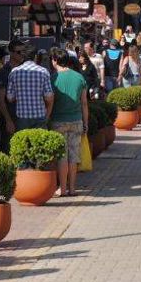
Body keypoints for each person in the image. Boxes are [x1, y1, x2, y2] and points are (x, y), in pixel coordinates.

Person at [49, 49, 89, 197]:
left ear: (54, 60)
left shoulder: (53, 78)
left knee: (62, 156)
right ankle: (72, 189)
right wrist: (86, 122)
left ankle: (62, 189)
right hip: (76, 120)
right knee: (73, 156)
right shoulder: (79, 77)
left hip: (58, 120)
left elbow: (49, 100)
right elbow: (84, 103)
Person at [6, 44, 54, 131]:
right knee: (39, 143)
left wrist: (21, 95)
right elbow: (48, 97)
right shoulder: (43, 71)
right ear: (35, 56)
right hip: (39, 115)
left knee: (24, 143)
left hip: (22, 116)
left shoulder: (14, 72)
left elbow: (9, 98)